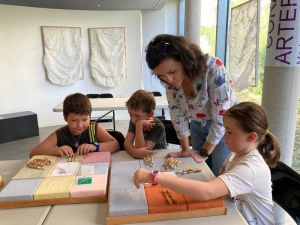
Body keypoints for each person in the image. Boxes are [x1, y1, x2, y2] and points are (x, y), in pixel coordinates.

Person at [134, 101, 281, 224]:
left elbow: (207, 191)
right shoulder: (236, 154)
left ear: (251, 137)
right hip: (234, 216)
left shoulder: (250, 168)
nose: (224, 136)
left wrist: (154, 176)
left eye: (229, 132)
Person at [145, 34, 236, 175]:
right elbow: (177, 115)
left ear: (185, 60)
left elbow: (221, 118)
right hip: (197, 124)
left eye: (172, 72)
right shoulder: (170, 81)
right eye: (162, 76)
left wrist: (204, 153)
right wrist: (185, 151)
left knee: (221, 174)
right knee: (201, 171)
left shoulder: (212, 68)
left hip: (227, 126)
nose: (169, 80)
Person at [30, 93, 120, 158]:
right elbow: (34, 153)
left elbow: (115, 145)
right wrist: (55, 150)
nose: (80, 125)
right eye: (74, 120)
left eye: (84, 120)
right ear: (65, 118)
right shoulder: (60, 134)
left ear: (90, 117)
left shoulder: (94, 129)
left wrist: (94, 147)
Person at [124, 89, 167, 159]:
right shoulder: (135, 120)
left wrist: (139, 125)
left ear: (151, 113)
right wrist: (135, 152)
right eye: (130, 114)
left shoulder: (158, 127)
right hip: (145, 159)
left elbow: (142, 149)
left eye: (137, 116)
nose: (133, 119)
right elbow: (127, 144)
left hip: (158, 159)